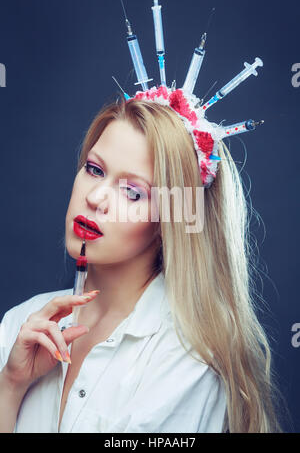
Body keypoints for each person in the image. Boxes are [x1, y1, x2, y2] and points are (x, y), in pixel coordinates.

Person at [0, 92, 288, 433]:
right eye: (94, 170)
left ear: (171, 220)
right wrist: (10, 385)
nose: (95, 198)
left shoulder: (188, 359)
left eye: (132, 192)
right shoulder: (19, 324)